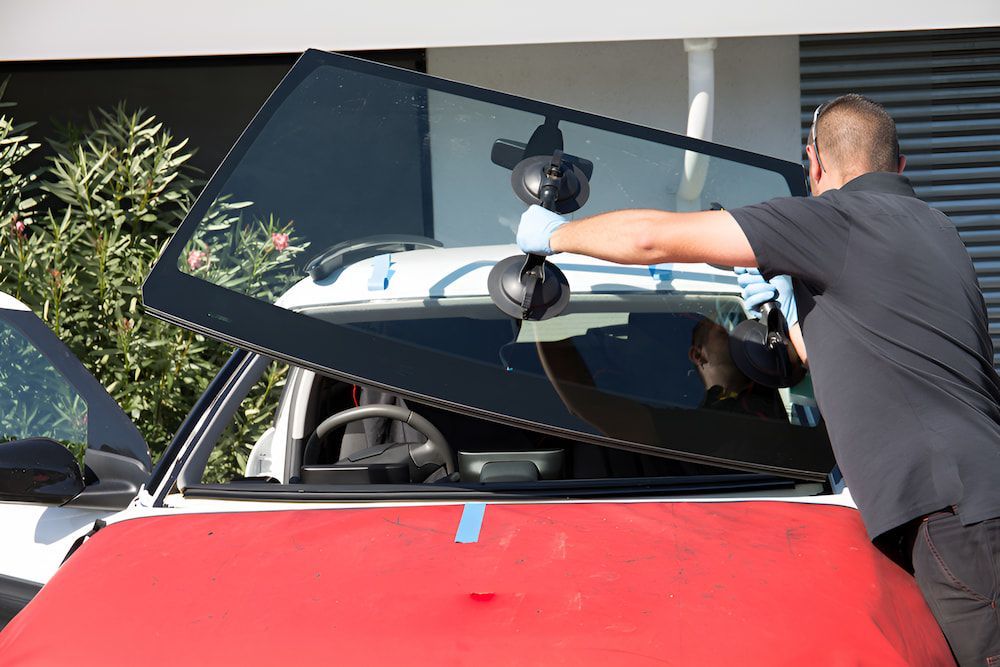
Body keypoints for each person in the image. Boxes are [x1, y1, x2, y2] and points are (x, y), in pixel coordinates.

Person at [515, 93, 1000, 666]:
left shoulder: (831, 218)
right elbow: (877, 351)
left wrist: (555, 236)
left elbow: (653, 239)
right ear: (900, 166)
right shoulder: (938, 228)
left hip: (953, 514)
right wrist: (798, 322)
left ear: (812, 165)